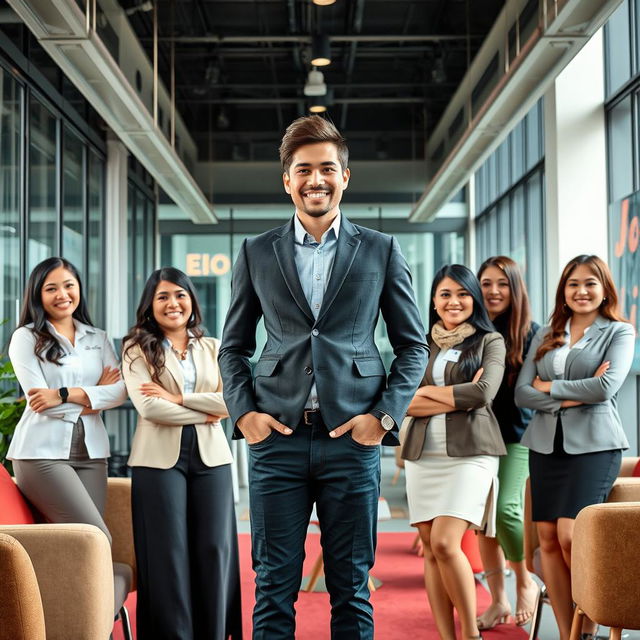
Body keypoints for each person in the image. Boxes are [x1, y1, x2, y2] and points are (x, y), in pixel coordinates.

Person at [219, 115, 427, 640]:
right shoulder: (256, 251)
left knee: (352, 587)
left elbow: (412, 347)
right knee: (272, 586)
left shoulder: (380, 249)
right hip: (277, 441)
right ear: (286, 180)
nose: (317, 179)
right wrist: (246, 416)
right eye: (304, 169)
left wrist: (381, 420)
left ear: (346, 176)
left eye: (327, 169)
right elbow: (233, 348)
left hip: (352, 441)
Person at [515, 254, 633, 640]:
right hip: (546, 446)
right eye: (573, 284)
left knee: (571, 536)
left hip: (595, 447)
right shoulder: (546, 333)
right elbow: (522, 394)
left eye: (590, 283)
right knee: (547, 539)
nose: (581, 291)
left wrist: (549, 388)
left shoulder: (619, 332)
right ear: (563, 291)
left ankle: (590, 629)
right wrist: (567, 397)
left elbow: (605, 388)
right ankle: (569, 634)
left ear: (604, 290)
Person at [122, 267, 242, 640]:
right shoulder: (135, 347)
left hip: (212, 459)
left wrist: (179, 398)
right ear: (150, 305)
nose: (173, 303)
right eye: (163, 297)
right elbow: (149, 409)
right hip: (157, 461)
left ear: (191, 300)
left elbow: (234, 401)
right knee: (167, 554)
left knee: (214, 549)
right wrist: (207, 412)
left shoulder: (215, 347)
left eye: (180, 295)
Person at [400, 263, 506, 640]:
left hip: (471, 453)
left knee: (446, 542)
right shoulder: (418, 343)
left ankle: (470, 635)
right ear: (433, 300)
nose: (454, 301)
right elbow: (402, 402)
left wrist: (425, 393)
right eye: (445, 294)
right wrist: (454, 398)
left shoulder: (488, 341)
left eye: (462, 294)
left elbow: (483, 394)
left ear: (473, 298)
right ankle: (447, 636)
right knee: (430, 548)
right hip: (424, 454)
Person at [8, 257, 126, 544]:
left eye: (69, 286)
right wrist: (95, 394)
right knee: (95, 539)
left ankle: (90, 590)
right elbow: (39, 400)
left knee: (85, 547)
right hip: (40, 455)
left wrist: (62, 393)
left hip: (92, 454)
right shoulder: (26, 337)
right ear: (38, 295)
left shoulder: (97, 337)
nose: (62, 295)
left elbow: (121, 392)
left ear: (79, 289)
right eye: (51, 288)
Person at [475, 256, 540, 630]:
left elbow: (528, 391)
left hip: (516, 436)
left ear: (515, 288)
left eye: (502, 283)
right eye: (486, 283)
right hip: (475, 437)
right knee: (483, 521)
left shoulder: (532, 333)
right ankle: (498, 600)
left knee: (507, 512)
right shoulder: (472, 330)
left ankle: (526, 580)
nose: (494, 291)